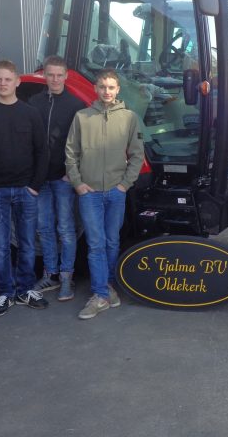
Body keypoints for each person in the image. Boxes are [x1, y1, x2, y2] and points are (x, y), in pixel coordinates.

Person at [0, 60, 49, 316]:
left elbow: (42, 152)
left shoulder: (30, 114)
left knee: (26, 244)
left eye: (7, 79)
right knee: (1, 247)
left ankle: (25, 289)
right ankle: (5, 292)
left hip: (26, 190)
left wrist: (34, 187)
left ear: (17, 82)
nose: (3, 84)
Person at [65, 69, 144, 320]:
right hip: (89, 193)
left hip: (115, 192)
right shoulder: (82, 117)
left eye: (111, 87)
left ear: (118, 89)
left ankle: (108, 287)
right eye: (102, 87)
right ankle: (100, 294)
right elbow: (70, 153)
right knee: (96, 244)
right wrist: (78, 183)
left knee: (112, 242)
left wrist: (124, 185)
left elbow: (137, 154)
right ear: (96, 89)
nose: (106, 91)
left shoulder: (129, 118)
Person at [29, 56, 86, 301]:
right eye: (50, 75)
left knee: (65, 228)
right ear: (44, 76)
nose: (54, 79)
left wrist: (71, 172)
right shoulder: (33, 103)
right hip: (40, 179)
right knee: (44, 228)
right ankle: (50, 274)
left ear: (65, 76)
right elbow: (28, 141)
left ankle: (66, 278)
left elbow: (81, 143)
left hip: (63, 179)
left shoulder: (75, 105)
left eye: (58, 75)